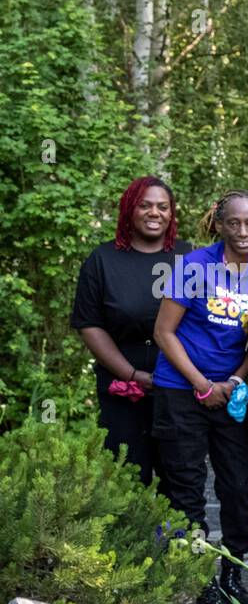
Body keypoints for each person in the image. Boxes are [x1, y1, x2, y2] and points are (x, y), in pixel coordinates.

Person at [152, 190, 248, 604]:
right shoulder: (193, 267)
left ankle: (233, 576)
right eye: (234, 223)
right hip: (181, 391)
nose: (243, 231)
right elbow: (164, 333)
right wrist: (201, 383)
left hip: (230, 392)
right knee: (186, 490)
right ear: (219, 224)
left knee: (237, 486)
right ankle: (199, 583)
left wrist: (236, 378)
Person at [72, 177, 191, 488]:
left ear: (172, 214)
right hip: (122, 381)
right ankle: (128, 538)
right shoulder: (102, 260)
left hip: (180, 383)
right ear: (129, 210)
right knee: (126, 476)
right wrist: (131, 374)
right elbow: (89, 323)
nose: (155, 213)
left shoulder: (188, 257)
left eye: (163, 207)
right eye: (145, 205)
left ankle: (182, 536)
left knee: (179, 476)